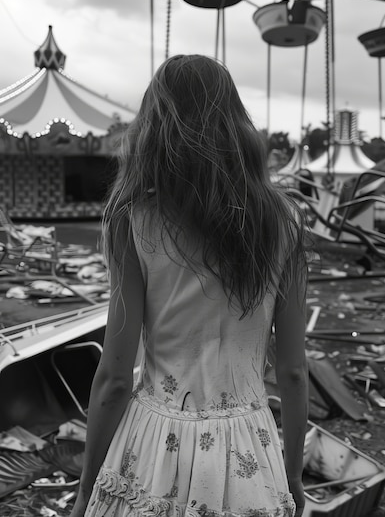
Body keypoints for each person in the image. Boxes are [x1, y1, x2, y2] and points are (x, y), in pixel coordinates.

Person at [69, 54, 309, 517]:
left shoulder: (133, 219)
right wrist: (293, 471)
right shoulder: (285, 222)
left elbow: (116, 378)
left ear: (153, 128)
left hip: (156, 446)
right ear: (238, 124)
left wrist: (85, 491)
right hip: (250, 448)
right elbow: (294, 371)